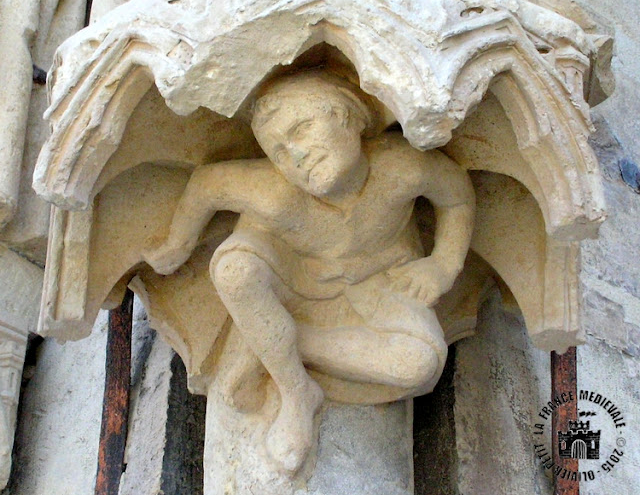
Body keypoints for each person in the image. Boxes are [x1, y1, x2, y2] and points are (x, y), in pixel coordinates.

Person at [144, 70, 475, 472]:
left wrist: (443, 265)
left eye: (302, 129)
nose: (297, 156)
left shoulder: (403, 168)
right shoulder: (274, 194)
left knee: (418, 366)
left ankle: (269, 343)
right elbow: (207, 183)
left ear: (348, 117)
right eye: (279, 152)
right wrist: (176, 245)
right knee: (234, 270)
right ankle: (295, 391)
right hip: (294, 272)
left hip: (381, 278)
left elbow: (456, 197)